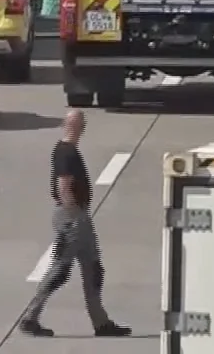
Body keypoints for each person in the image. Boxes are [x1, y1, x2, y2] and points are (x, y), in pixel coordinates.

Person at [21, 110, 129, 338]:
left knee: (93, 269)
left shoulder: (68, 150)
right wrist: (74, 215)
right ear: (70, 126)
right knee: (60, 270)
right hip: (72, 217)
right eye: (76, 123)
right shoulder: (65, 152)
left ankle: (101, 322)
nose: (78, 127)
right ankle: (30, 317)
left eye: (79, 123)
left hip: (78, 216)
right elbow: (63, 186)